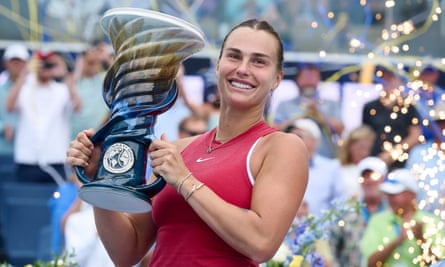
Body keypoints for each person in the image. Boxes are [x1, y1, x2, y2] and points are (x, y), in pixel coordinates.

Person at [66, 18, 309, 266]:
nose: (243, 69)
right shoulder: (179, 149)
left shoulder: (281, 146)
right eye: (234, 56)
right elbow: (127, 252)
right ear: (218, 65)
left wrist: (185, 180)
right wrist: (101, 179)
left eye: (258, 61)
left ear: (277, 78)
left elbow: (261, 243)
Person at [5, 50, 79, 183]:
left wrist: (64, 73)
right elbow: (9, 107)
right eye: (42, 64)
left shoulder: (61, 90)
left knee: (58, 202)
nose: (45, 67)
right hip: (27, 158)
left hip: (55, 158)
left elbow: (77, 107)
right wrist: (24, 75)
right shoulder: (24, 89)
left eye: (49, 64)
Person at [360, 168, 445, 266]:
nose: (390, 198)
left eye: (395, 194)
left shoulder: (431, 221)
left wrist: (421, 239)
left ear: (411, 195)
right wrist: (398, 240)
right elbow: (370, 263)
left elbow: (439, 263)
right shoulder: (378, 220)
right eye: (388, 194)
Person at [272, 63, 344, 158]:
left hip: (325, 159)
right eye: (306, 77)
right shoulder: (285, 104)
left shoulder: (330, 104)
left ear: (319, 80)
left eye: (314, 77)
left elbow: (340, 129)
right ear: (297, 80)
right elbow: (275, 128)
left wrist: (318, 114)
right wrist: (300, 118)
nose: (310, 81)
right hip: (291, 157)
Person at [330, 156, 388, 267]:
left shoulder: (392, 211)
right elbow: (331, 246)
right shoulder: (346, 212)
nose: (369, 181)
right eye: (364, 177)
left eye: (374, 176)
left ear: (383, 179)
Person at [362, 65, 422, 171]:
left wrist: (393, 154)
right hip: (374, 163)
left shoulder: (408, 107)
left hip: (400, 166)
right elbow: (364, 135)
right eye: (384, 77)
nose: (387, 81)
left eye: (391, 77)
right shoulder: (370, 107)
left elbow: (415, 136)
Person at [285, 117, 346, 216]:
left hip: (322, 229)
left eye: (299, 136)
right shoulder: (279, 167)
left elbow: (341, 205)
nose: (292, 141)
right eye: (289, 137)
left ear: (314, 141)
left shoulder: (331, 168)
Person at [406, 101, 445, 215]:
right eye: (440, 122)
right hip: (422, 222)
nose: (443, 126)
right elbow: (408, 189)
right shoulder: (418, 153)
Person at [0, 44, 30, 178]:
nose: (16, 65)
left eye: (20, 61)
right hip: (3, 151)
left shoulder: (35, 89)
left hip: (28, 153)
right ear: (6, 63)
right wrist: (3, 127)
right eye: (13, 61)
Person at [68, 46, 109, 140]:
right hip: (74, 139)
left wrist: (107, 59)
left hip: (96, 138)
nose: (94, 67)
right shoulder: (72, 83)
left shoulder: (102, 81)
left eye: (97, 63)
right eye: (90, 63)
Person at [337, 125, 376, 199]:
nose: (365, 153)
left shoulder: (373, 170)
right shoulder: (336, 167)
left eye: (368, 148)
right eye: (361, 147)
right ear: (350, 146)